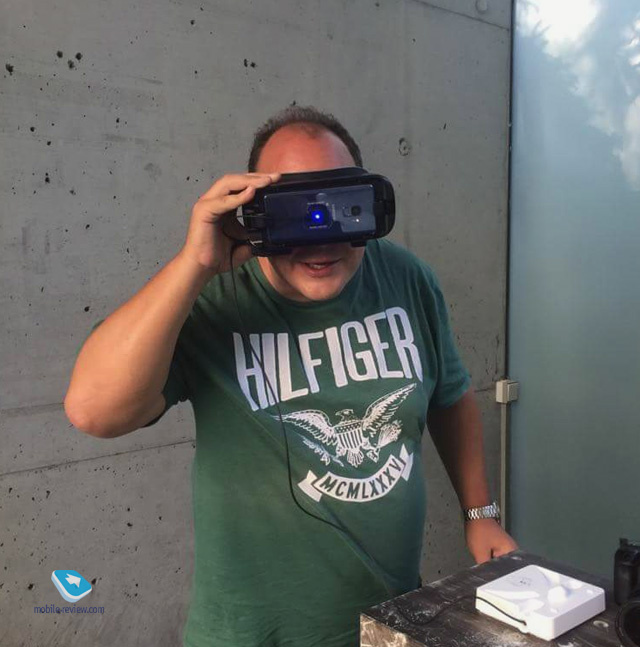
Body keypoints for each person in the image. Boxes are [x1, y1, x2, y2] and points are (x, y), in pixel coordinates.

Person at [64, 105, 518, 647]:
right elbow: (93, 411)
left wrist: (480, 513)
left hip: (391, 619)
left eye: (339, 206)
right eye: (293, 212)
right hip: (254, 634)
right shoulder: (210, 300)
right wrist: (194, 263)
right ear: (252, 211)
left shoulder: (406, 278)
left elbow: (449, 394)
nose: (319, 237)